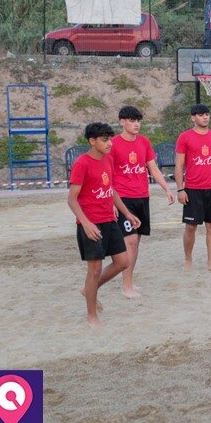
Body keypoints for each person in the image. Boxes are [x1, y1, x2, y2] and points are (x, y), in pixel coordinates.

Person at [68, 122, 141, 327]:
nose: (109, 143)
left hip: (110, 220)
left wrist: (127, 213)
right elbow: (71, 199)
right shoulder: (82, 163)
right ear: (92, 141)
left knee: (122, 261)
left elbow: (111, 190)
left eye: (110, 138)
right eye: (104, 139)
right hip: (91, 224)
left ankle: (89, 290)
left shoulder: (108, 160)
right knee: (94, 270)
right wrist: (86, 223)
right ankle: (91, 316)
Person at [110, 105, 176, 299]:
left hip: (142, 197)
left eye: (138, 120)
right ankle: (126, 285)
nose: (136, 124)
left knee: (135, 243)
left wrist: (166, 188)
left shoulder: (144, 142)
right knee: (129, 241)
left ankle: (129, 280)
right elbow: (108, 173)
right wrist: (112, 202)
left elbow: (153, 169)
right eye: (131, 120)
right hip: (123, 198)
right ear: (122, 122)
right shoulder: (113, 144)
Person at [174, 104, 211, 273]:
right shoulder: (185, 137)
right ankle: (188, 259)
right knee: (191, 227)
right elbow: (179, 165)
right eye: (200, 115)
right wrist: (180, 189)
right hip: (192, 189)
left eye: (207, 114)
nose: (205, 117)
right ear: (193, 118)